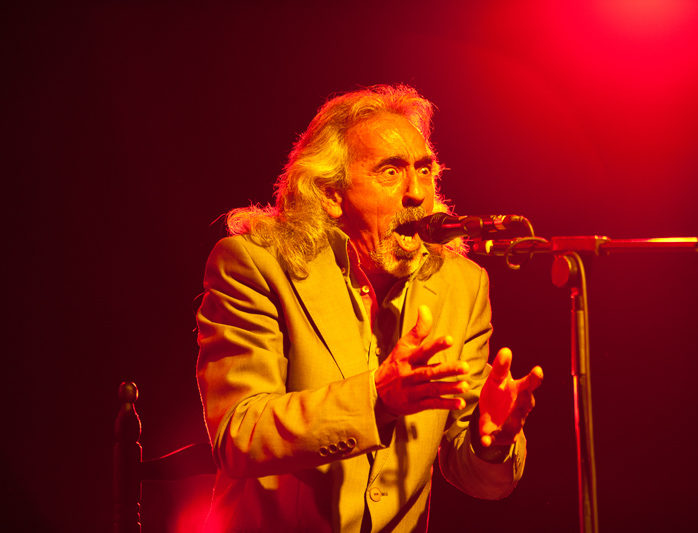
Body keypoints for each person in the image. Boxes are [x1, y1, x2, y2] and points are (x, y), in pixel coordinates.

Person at [196, 84, 543, 532]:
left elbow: (476, 477)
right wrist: (377, 399)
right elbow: (239, 435)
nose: (417, 193)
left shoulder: (462, 284)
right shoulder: (255, 265)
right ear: (330, 194)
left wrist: (487, 441)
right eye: (390, 171)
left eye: (425, 170)